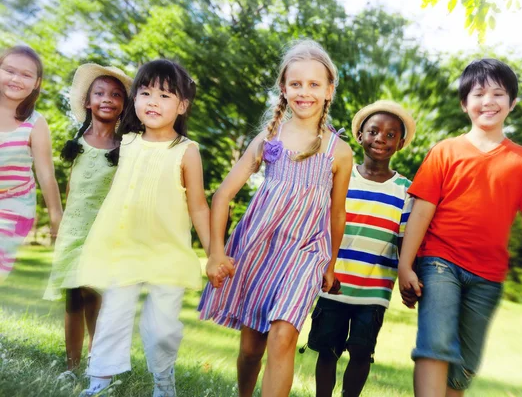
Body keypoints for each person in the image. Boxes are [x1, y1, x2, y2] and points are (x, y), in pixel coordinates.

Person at [398, 58, 522, 397]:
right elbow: (421, 213)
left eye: (498, 94)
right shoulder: (445, 151)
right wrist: (405, 264)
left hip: (488, 274)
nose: (488, 101)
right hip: (439, 260)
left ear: (512, 103)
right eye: (478, 93)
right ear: (465, 103)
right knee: (436, 343)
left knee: (464, 366)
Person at [198, 39, 353, 397]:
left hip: (306, 252)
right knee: (252, 348)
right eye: (296, 84)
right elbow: (222, 196)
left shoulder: (339, 152)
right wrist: (216, 253)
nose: (304, 92)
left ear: (329, 90)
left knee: (283, 336)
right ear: (283, 88)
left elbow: (337, 211)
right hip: (260, 248)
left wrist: (330, 264)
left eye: (314, 84)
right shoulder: (269, 139)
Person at [76, 59, 210, 397]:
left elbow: (198, 205)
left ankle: (163, 380)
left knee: (163, 328)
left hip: (167, 252)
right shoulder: (128, 141)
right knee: (113, 317)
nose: (153, 101)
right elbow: (90, 124)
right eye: (146, 92)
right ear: (134, 99)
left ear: (182, 106)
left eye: (165, 95)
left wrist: (214, 252)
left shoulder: (186, 151)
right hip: (123, 248)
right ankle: (99, 382)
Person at [307, 100, 416, 397]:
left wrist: (411, 275)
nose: (381, 138)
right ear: (360, 136)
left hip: (374, 288)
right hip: (334, 281)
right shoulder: (342, 176)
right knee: (328, 350)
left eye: (391, 135)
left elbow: (405, 239)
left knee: (360, 351)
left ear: (401, 143)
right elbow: (322, 222)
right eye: (374, 131)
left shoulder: (406, 190)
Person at [43, 63, 132, 381]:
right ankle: (71, 366)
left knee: (95, 294)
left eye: (116, 94)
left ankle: (100, 363)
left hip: (104, 234)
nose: (107, 99)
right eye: (100, 93)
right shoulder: (77, 145)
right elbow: (71, 188)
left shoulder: (125, 149)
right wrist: (59, 224)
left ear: (124, 103)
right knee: (73, 297)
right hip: (74, 230)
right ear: (88, 101)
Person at [0, 45, 62, 283]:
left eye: (26, 75)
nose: (16, 79)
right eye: (10, 70)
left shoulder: (35, 123)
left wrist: (56, 218)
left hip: (14, 204)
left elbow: (46, 175)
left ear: (36, 83)